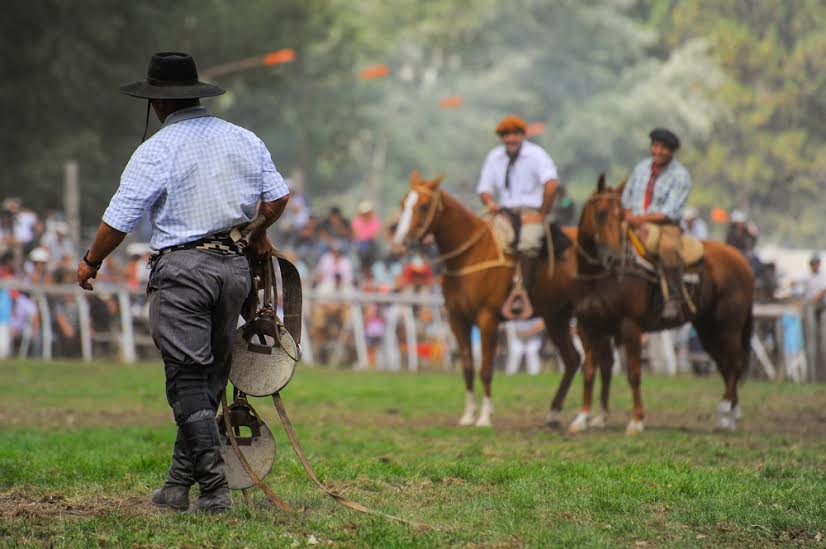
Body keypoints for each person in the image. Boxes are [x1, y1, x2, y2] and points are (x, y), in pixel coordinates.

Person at [75, 52, 289, 514]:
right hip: (233, 270)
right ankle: (176, 486)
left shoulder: (156, 149)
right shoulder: (242, 138)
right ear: (196, 94)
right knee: (207, 377)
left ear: (157, 103)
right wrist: (257, 233)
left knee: (187, 380)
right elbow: (278, 196)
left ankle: (213, 490)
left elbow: (121, 217)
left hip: (184, 271)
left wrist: (91, 261)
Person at [477, 115, 559, 315]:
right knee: (482, 240)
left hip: (530, 212)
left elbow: (551, 184)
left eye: (515, 134)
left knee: (528, 243)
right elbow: (484, 188)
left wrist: (541, 213)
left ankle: (522, 293)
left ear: (523, 135)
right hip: (504, 213)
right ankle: (485, 291)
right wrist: (490, 202)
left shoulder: (537, 155)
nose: (510, 139)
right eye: (506, 135)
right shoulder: (494, 157)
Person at [621, 128, 692, 320]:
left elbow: (670, 211)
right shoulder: (641, 167)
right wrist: (628, 214)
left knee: (668, 248)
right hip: (633, 220)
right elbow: (626, 195)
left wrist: (640, 220)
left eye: (663, 148)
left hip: (664, 225)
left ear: (671, 151)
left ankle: (674, 297)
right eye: (655, 146)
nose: (658, 151)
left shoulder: (680, 175)